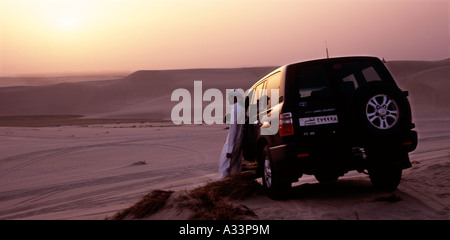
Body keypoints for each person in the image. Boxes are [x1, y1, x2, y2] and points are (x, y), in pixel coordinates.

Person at [218, 91, 245, 179]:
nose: (229, 99)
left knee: (225, 166)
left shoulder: (236, 111)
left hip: (233, 144)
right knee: (235, 166)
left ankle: (222, 186)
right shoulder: (241, 109)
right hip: (237, 142)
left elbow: (233, 131)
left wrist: (229, 150)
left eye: (230, 97)